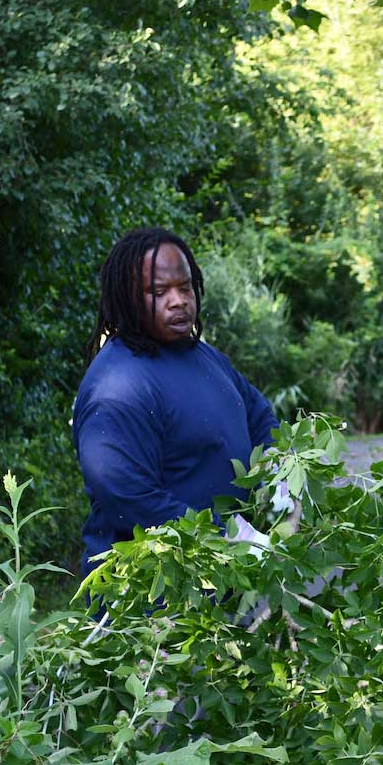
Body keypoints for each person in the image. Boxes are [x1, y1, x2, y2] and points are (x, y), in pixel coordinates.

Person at [72, 227, 277, 575]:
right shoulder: (116, 385)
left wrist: (280, 474)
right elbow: (130, 498)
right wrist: (232, 535)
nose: (179, 300)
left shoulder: (206, 357)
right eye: (159, 291)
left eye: (184, 287)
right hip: (153, 599)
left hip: (226, 580)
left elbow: (259, 416)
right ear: (127, 298)